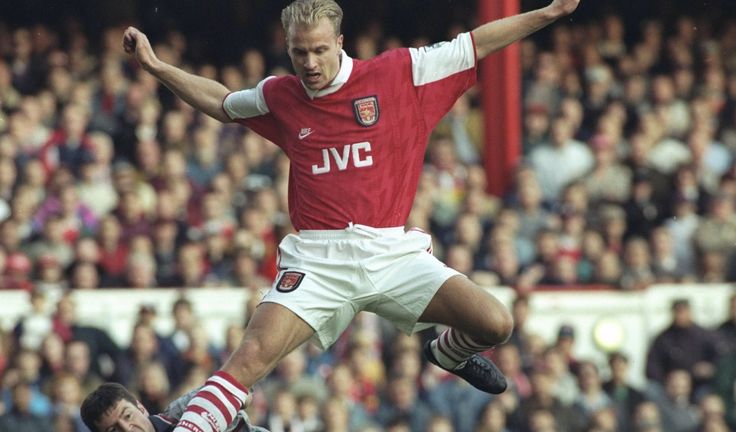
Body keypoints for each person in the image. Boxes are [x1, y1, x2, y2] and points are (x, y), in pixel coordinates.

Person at [122, 0, 581, 431]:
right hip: (317, 261)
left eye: (320, 49)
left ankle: (447, 355)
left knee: (495, 323)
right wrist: (157, 67)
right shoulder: (281, 96)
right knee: (249, 359)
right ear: (287, 48)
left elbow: (479, 41)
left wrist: (550, 11)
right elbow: (222, 103)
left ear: (340, 42)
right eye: (299, 52)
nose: (310, 62)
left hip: (391, 251)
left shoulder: (402, 72)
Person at [80, 382, 267, 432]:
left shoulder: (185, 410)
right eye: (113, 430)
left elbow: (242, 389)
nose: (126, 430)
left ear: (141, 408)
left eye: (127, 416)